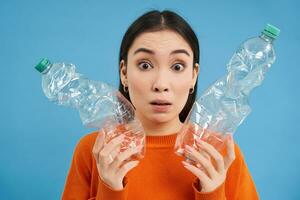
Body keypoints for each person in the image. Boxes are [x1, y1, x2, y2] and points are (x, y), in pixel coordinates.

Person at [62, 10, 259, 200]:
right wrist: (110, 190)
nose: (161, 84)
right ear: (124, 73)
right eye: (145, 65)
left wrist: (213, 194)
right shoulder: (96, 151)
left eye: (177, 66)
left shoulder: (217, 155)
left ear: (193, 75)